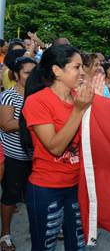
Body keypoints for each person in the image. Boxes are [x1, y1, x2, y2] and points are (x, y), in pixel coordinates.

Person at [20, 44, 103, 250]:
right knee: (44, 247)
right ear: (57, 70)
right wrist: (79, 110)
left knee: (78, 246)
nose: (82, 72)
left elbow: (94, 140)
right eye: (76, 67)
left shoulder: (80, 98)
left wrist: (98, 105)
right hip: (47, 188)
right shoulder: (37, 102)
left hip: (77, 186)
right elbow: (55, 147)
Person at [0, 57, 36, 251]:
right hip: (15, 155)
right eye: (27, 72)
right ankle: (5, 234)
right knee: (11, 195)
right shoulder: (9, 96)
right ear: (16, 74)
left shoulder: (38, 94)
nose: (31, 76)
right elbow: (5, 125)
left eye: (34, 72)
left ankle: (40, 229)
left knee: (36, 197)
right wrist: (34, 120)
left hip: (37, 155)